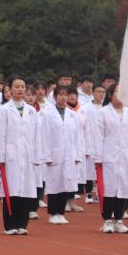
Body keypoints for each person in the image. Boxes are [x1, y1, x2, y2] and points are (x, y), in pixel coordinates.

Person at [0, 76, 47, 235]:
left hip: (28, 155)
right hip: (11, 156)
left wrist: (37, 156)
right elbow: (0, 135)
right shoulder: (4, 110)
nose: (20, 89)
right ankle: (10, 225)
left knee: (26, 190)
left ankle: (22, 224)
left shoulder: (31, 111)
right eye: (17, 86)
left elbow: (37, 135)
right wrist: (0, 158)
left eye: (23, 87)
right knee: (12, 190)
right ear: (10, 89)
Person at [93, 83, 128, 233]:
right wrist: (98, 157)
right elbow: (98, 136)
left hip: (125, 157)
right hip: (109, 156)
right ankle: (107, 220)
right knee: (109, 189)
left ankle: (119, 220)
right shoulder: (103, 113)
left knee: (124, 189)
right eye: (116, 92)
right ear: (110, 95)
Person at [41, 84, 84, 225]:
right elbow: (44, 136)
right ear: (55, 97)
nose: (63, 97)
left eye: (66, 95)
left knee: (66, 183)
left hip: (69, 154)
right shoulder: (48, 114)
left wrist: (77, 155)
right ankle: (53, 213)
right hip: (54, 153)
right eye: (60, 95)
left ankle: (61, 213)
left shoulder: (73, 115)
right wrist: (46, 155)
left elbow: (77, 136)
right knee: (54, 184)